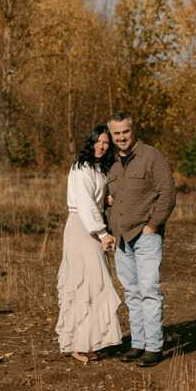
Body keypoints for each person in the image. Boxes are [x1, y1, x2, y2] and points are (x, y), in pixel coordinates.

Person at [106, 112, 176, 367]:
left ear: (133, 130)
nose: (122, 137)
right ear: (111, 135)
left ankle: (154, 347)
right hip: (121, 238)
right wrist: (110, 225)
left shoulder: (152, 157)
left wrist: (152, 225)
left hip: (145, 236)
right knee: (132, 293)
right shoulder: (111, 164)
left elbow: (167, 194)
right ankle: (138, 344)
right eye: (117, 133)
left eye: (125, 131)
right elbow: (108, 199)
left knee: (149, 291)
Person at [56, 125, 123, 363]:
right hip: (81, 226)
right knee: (84, 282)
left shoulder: (99, 169)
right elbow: (84, 204)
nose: (102, 146)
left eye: (106, 143)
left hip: (93, 224)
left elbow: (95, 198)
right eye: (98, 142)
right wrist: (102, 233)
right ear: (91, 142)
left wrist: (106, 198)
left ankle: (90, 341)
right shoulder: (81, 167)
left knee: (95, 284)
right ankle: (76, 343)